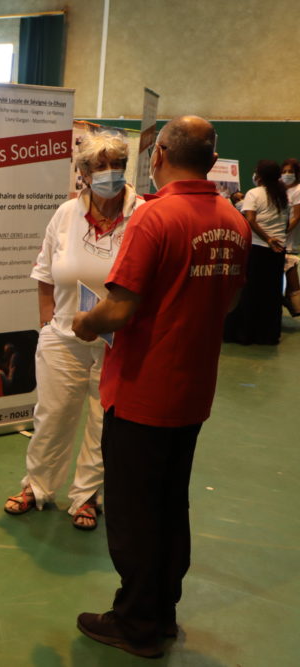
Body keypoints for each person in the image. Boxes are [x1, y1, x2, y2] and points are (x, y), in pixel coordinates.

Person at [71, 116, 250, 658]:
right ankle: (163, 611)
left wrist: (85, 323)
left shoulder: (155, 217)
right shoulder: (233, 220)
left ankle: (135, 623)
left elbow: (120, 307)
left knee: (134, 513)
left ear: (161, 154)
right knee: (171, 504)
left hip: (144, 387)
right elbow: (233, 302)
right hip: (193, 389)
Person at [4, 131, 144, 530]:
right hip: (63, 334)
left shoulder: (143, 214)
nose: (109, 174)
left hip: (118, 340)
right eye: (99, 166)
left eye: (116, 165)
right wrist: (47, 319)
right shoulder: (65, 214)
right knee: (51, 415)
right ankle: (38, 486)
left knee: (103, 421)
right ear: (82, 173)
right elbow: (45, 272)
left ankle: (87, 495)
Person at [223, 159, 290, 344]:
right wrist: (275, 239)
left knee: (250, 291)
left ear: (259, 176)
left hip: (259, 247)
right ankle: (267, 335)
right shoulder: (282, 195)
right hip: (278, 249)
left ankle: (245, 334)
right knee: (271, 293)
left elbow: (251, 220)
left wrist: (267, 238)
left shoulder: (254, 193)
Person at [279, 158, 300, 315]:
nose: (287, 175)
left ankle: (295, 303)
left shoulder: (298, 190)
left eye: (290, 172)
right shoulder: (281, 189)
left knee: (289, 262)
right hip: (279, 232)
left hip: (290, 235)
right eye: (284, 172)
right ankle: (289, 299)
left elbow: (297, 216)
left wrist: (285, 231)